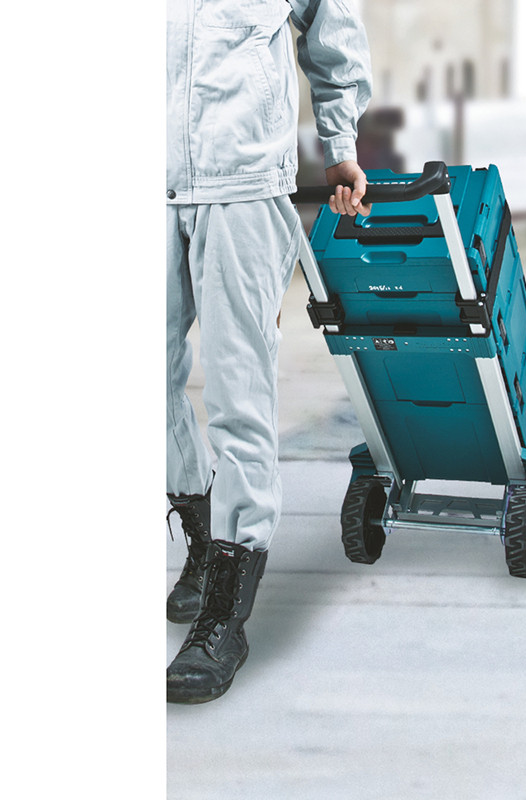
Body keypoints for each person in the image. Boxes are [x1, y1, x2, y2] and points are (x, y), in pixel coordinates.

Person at [165, 0, 372, 704]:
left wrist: (340, 145)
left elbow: (333, 28)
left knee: (238, 394)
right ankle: (202, 539)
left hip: (244, 184)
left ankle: (227, 608)